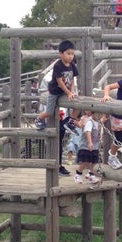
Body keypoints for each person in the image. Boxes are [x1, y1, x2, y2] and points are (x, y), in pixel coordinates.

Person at [34, 40, 80, 177]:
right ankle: (55, 165)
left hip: (65, 102)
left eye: (72, 54)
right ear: (61, 54)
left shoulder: (71, 67)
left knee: (78, 106)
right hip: (56, 95)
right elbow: (59, 83)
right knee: (53, 131)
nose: (71, 56)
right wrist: (68, 93)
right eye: (68, 54)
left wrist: (71, 93)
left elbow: (72, 82)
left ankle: (70, 123)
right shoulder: (58, 67)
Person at [74, 110, 101, 184]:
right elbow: (88, 132)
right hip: (86, 146)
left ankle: (91, 174)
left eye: (100, 114)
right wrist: (89, 142)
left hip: (95, 146)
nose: (99, 116)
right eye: (97, 113)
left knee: (94, 161)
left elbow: (102, 120)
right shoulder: (90, 122)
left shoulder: (98, 122)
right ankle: (78, 174)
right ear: (93, 113)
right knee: (85, 161)